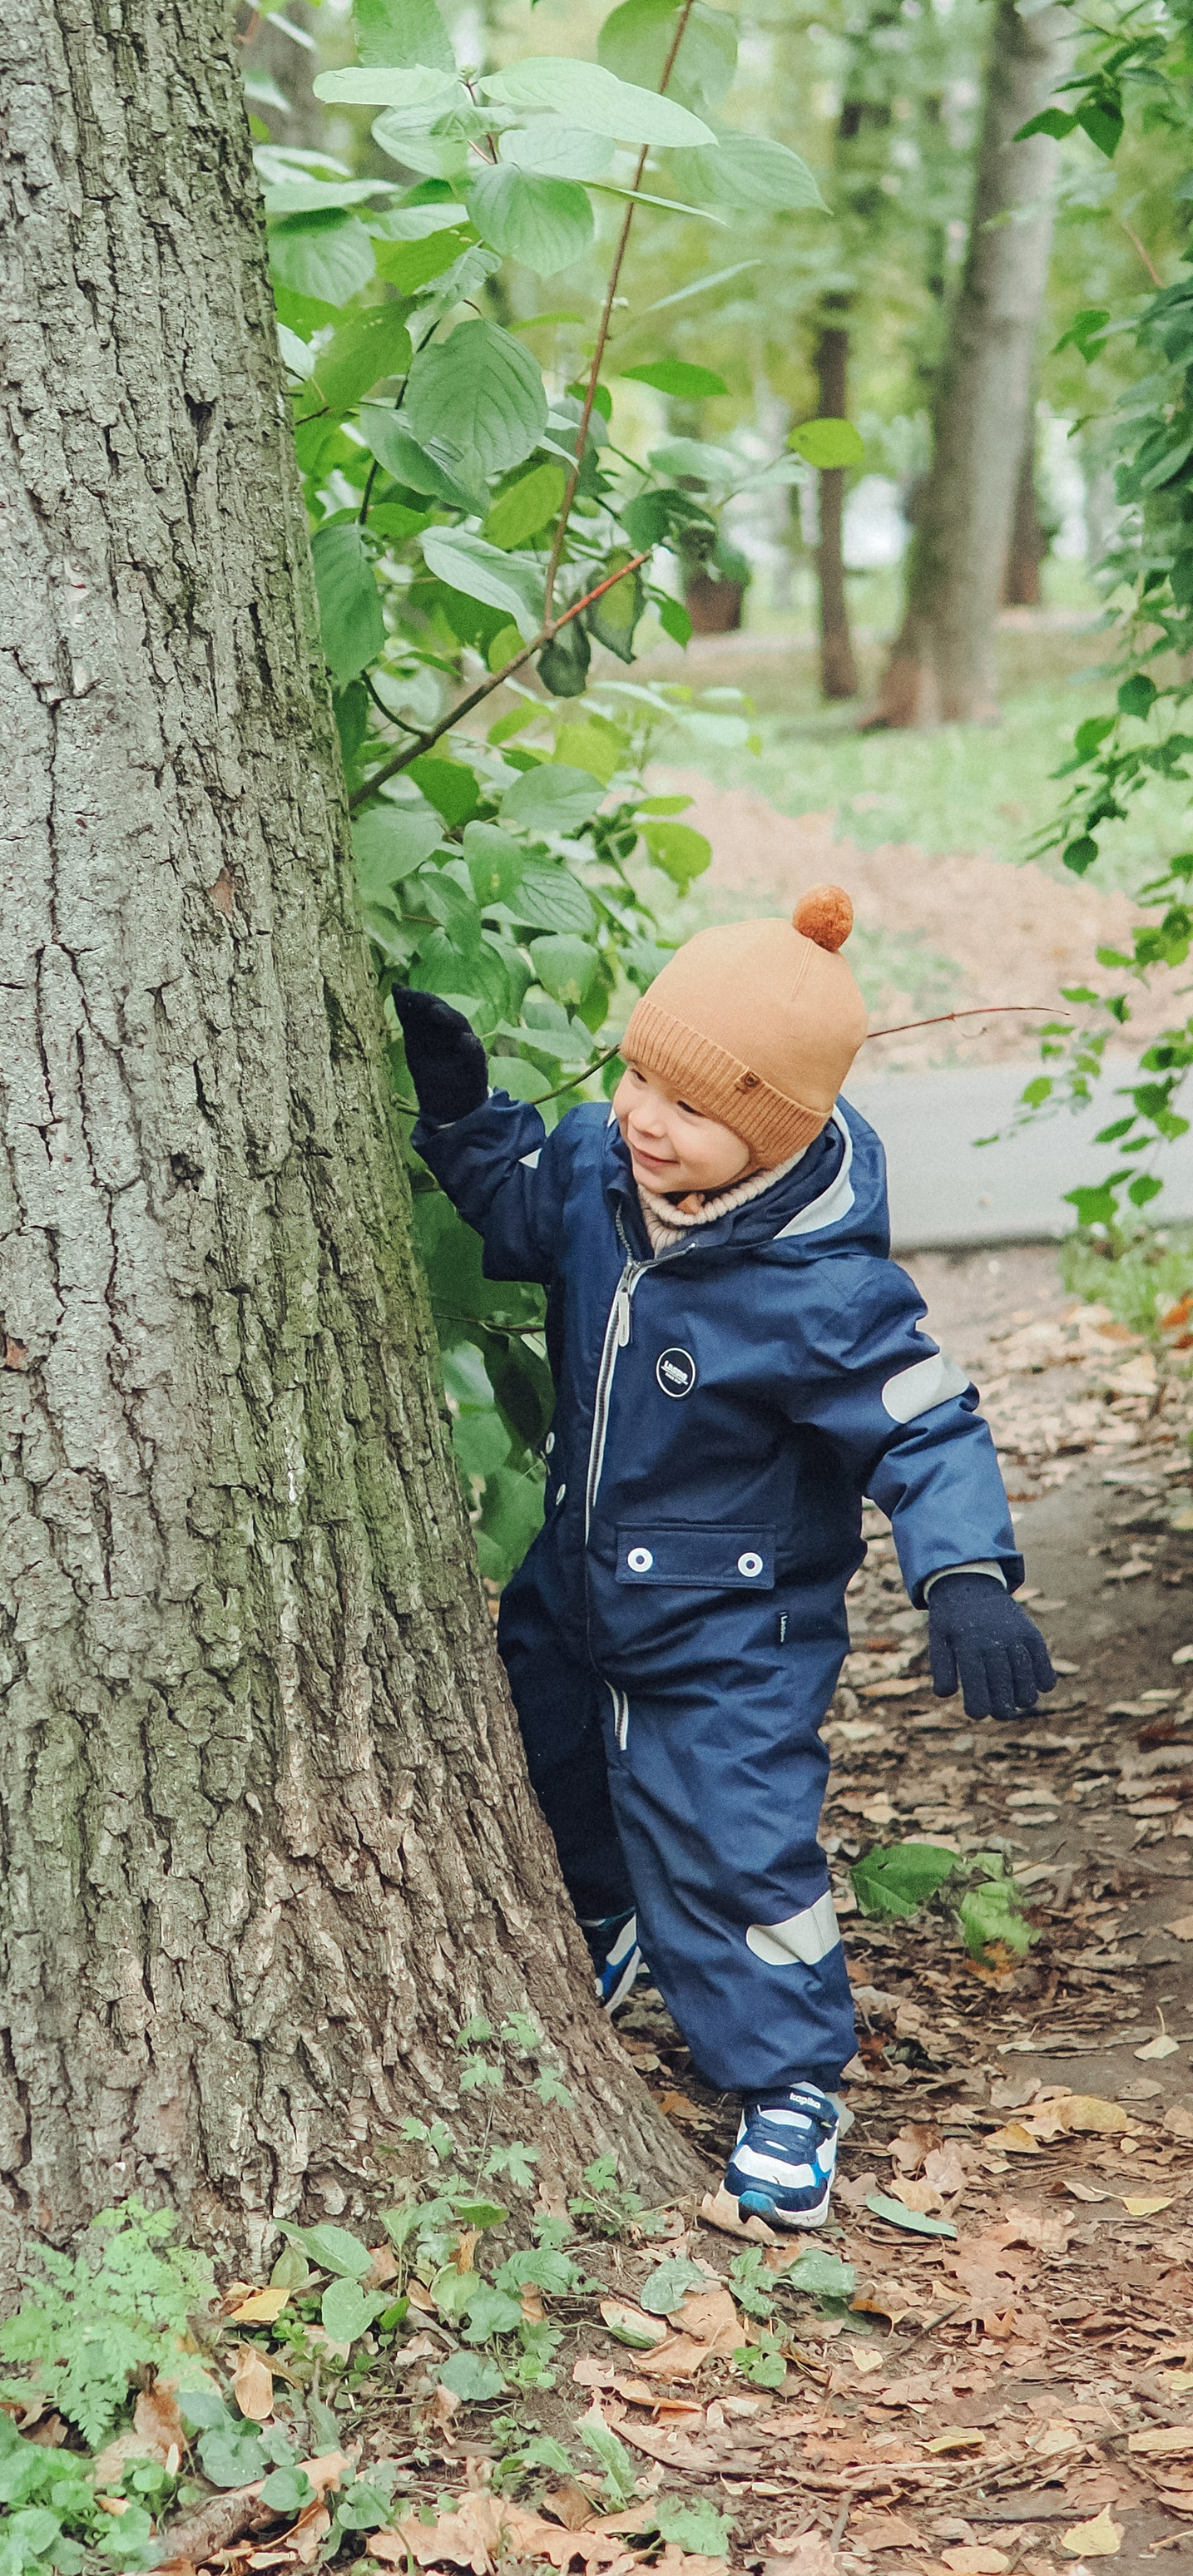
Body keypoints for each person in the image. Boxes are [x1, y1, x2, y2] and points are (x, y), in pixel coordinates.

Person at [392, 886, 1050, 2227]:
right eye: (639, 1070)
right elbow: (518, 1203)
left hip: (732, 1648)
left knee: (738, 1852)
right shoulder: (595, 1171)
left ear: (766, 1134)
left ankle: (792, 2082)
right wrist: (465, 1113)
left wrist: (965, 1573)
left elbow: (924, 1426)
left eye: (689, 1107)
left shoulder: (822, 1289)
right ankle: (598, 1913)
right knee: (540, 1756)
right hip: (575, 1592)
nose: (642, 1113)